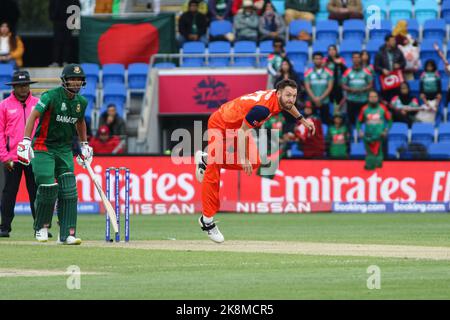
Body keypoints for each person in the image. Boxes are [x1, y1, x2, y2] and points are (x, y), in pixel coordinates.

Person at [194, 79, 315, 243]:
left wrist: (302, 120)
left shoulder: (277, 97)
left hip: (238, 125)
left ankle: (206, 159)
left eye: (294, 96)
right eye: (288, 95)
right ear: (278, 93)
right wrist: (242, 158)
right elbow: (243, 133)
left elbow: (288, 106)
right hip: (221, 123)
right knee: (213, 172)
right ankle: (206, 220)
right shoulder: (262, 109)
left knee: (255, 161)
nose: (291, 99)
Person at [17, 64, 93, 245]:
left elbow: (80, 122)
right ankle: (41, 227)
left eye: (79, 79)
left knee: (68, 190)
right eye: (72, 79)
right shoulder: (50, 96)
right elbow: (33, 117)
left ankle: (67, 234)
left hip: (64, 149)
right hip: (43, 147)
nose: (76, 82)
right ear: (64, 80)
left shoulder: (81, 102)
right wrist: (26, 140)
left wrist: (84, 145)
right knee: (48, 186)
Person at [0, 71, 38, 238]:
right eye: (20, 85)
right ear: (14, 87)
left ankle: (41, 227)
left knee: (36, 193)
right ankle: (4, 228)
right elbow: (0, 133)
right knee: (9, 193)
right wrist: (4, 156)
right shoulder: (4, 105)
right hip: (12, 158)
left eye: (26, 85)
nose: (24, 88)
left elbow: (44, 129)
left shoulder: (38, 104)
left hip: (34, 157)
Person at [357, 90, 392, 170]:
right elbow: (358, 122)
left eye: (375, 96)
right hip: (368, 137)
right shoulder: (364, 109)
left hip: (380, 136)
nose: (373, 98)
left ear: (378, 98)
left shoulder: (383, 108)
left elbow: (390, 120)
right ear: (368, 98)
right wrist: (360, 131)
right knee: (370, 157)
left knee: (380, 160)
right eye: (371, 97)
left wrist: (386, 130)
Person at [341, 52, 373, 127]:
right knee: (350, 121)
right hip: (351, 100)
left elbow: (371, 84)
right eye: (354, 57)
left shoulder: (366, 71)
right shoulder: (347, 71)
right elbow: (343, 85)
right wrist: (350, 89)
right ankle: (351, 136)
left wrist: (362, 89)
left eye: (358, 57)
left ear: (360, 59)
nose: (356, 59)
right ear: (352, 59)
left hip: (363, 100)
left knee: (364, 121)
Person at [374, 34, 406, 103]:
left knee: (397, 100)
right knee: (386, 100)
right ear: (387, 42)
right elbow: (376, 66)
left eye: (394, 40)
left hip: (396, 79)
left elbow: (404, 63)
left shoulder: (398, 51)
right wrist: (382, 70)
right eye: (392, 40)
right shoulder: (380, 52)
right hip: (386, 80)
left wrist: (399, 65)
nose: (394, 42)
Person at [304, 52, 334, 125]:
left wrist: (320, 98)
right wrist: (314, 98)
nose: (318, 60)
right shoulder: (308, 72)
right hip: (312, 102)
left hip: (324, 101)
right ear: (313, 60)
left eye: (319, 59)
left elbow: (330, 87)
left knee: (324, 122)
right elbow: (307, 87)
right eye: (316, 59)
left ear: (322, 60)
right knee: (311, 122)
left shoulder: (329, 72)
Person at [49, 0, 81, 67]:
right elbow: (51, 6)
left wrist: (73, 19)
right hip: (57, 21)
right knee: (57, 41)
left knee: (67, 42)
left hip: (69, 20)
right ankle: (56, 61)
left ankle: (65, 61)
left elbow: (77, 6)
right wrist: (53, 16)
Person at [416, 59, 441, 124]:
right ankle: (425, 121)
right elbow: (421, 84)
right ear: (426, 67)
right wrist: (421, 93)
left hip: (434, 94)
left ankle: (432, 121)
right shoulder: (423, 74)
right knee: (427, 108)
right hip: (426, 95)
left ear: (433, 67)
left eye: (431, 66)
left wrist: (439, 93)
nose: (429, 68)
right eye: (428, 66)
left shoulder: (436, 74)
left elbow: (439, 84)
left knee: (434, 108)